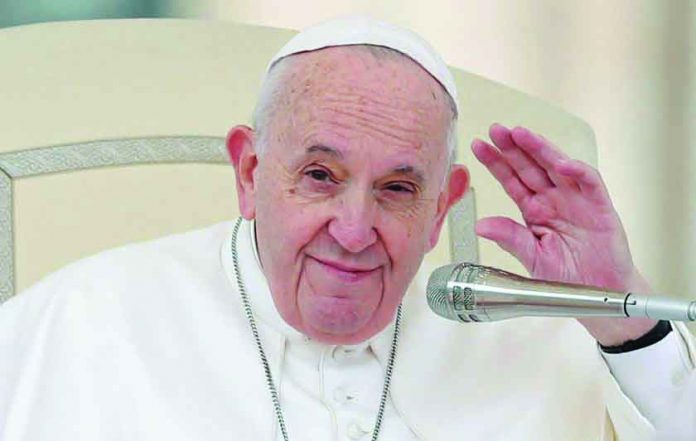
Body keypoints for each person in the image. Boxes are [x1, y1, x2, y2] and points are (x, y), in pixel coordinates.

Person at [0, 15, 693, 441]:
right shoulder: (80, 322)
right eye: (321, 176)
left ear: (442, 208)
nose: (355, 229)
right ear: (249, 172)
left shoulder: (538, 340)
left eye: (397, 188)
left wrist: (620, 311)